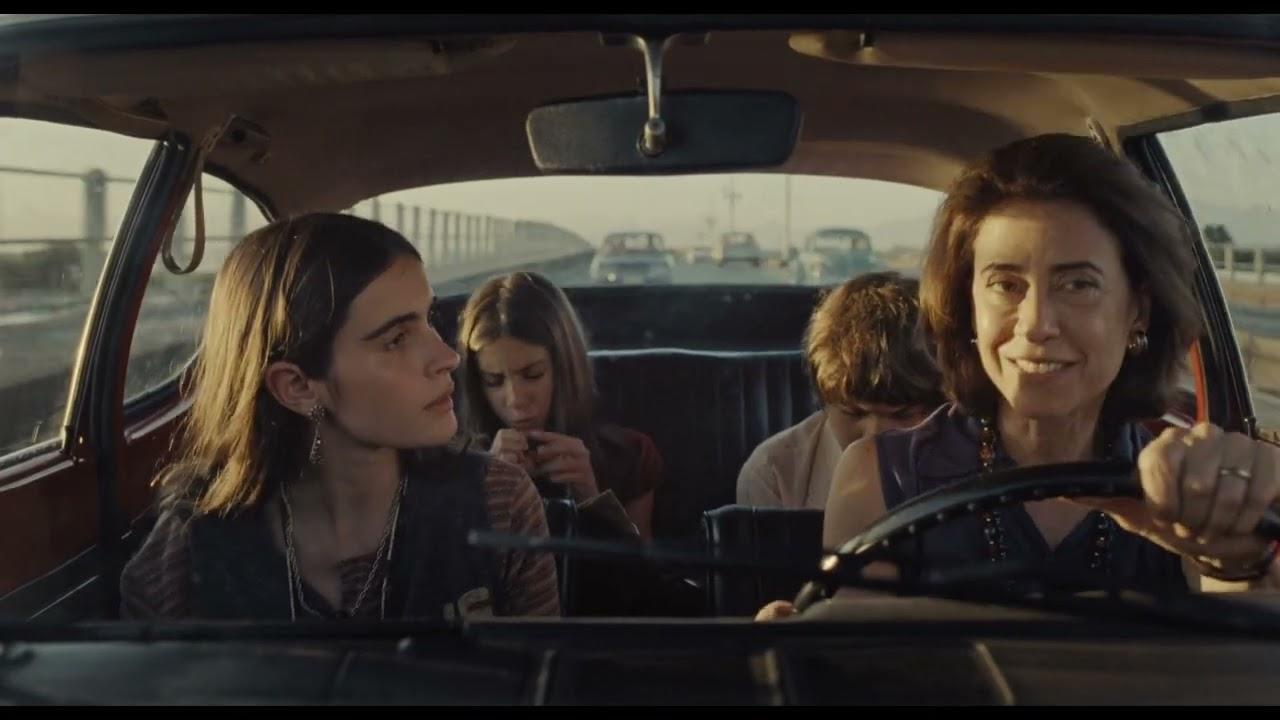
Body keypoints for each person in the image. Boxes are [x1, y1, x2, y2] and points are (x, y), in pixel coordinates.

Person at [761, 133, 1280, 622]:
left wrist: (1230, 556)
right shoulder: (879, 477)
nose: (1035, 324)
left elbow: (1243, 661)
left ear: (1138, 312)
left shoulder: (1185, 485)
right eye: (1006, 285)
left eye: (1078, 284)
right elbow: (861, 666)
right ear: (968, 306)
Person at [120, 213, 560, 621]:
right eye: (396, 339)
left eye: (429, 319)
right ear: (297, 386)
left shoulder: (499, 503)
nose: (447, 357)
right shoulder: (183, 557)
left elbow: (544, 673)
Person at [457, 271, 662, 540]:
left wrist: (591, 497)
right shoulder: (454, 465)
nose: (515, 399)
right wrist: (491, 494)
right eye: (493, 381)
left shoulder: (629, 457)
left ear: (565, 368)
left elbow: (638, 566)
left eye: (533, 375)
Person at [736, 271, 945, 509]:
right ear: (824, 400)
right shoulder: (773, 475)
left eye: (903, 414)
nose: (873, 435)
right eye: (855, 413)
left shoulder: (972, 459)